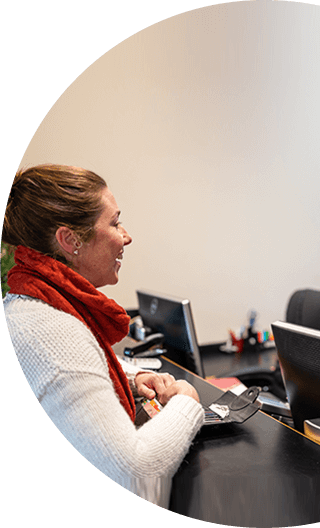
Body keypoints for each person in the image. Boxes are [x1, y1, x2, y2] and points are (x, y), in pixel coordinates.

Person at [2, 164, 204, 507]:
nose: (126, 236)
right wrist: (187, 402)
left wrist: (129, 378)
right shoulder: (52, 332)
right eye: (114, 223)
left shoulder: (30, 303)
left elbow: (69, 369)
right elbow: (135, 475)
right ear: (70, 240)